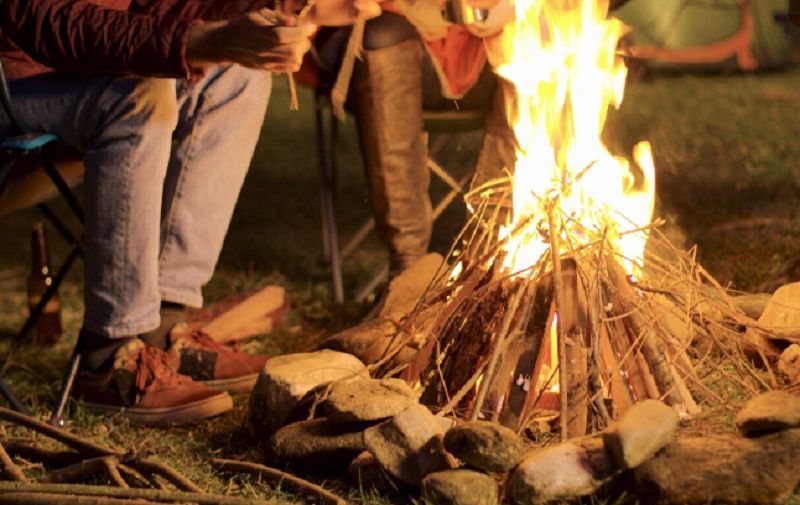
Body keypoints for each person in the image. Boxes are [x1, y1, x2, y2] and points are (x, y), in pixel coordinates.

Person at [0, 0, 379, 425]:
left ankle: (163, 330)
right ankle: (108, 358)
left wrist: (285, 7)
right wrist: (207, 41)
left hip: (77, 73)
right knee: (139, 91)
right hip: (15, 79)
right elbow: (47, 21)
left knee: (237, 74)